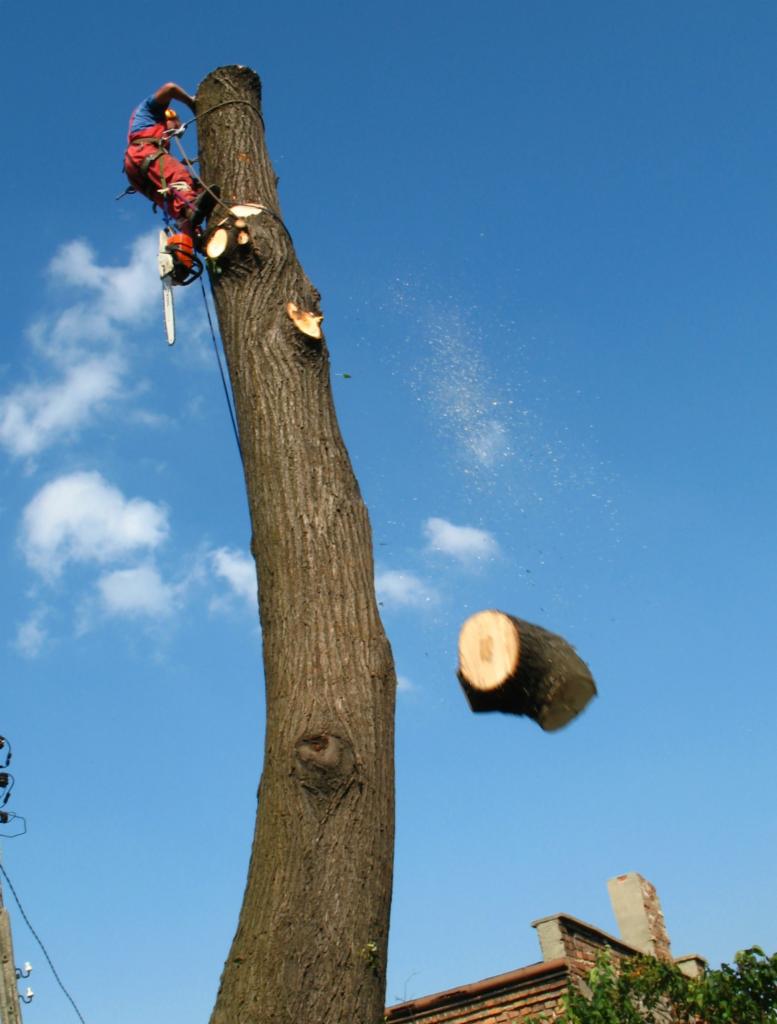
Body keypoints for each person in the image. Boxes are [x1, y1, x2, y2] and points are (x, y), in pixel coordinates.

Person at [124, 83, 216, 235]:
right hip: (142, 152)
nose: (176, 128)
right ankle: (191, 206)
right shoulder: (150, 110)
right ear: (169, 117)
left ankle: (194, 236)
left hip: (136, 170)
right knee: (179, 176)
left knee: (173, 199)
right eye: (176, 123)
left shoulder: (155, 136)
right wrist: (191, 102)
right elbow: (170, 88)